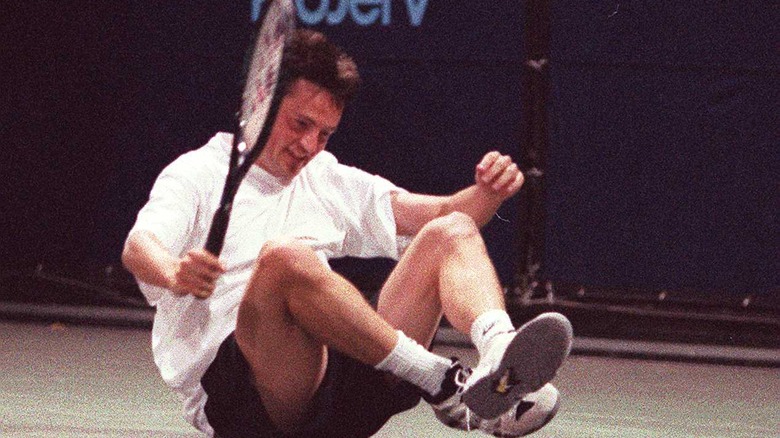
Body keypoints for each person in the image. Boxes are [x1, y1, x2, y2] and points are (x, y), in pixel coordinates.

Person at [122, 29, 573, 438]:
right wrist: (176, 272)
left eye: (325, 133)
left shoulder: (324, 176)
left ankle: (498, 356)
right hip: (251, 402)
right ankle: (440, 379)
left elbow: (447, 212)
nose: (310, 146)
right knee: (284, 260)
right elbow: (140, 246)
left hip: (343, 381)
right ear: (259, 100)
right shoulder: (197, 172)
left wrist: (488, 192)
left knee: (451, 231)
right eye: (301, 124)